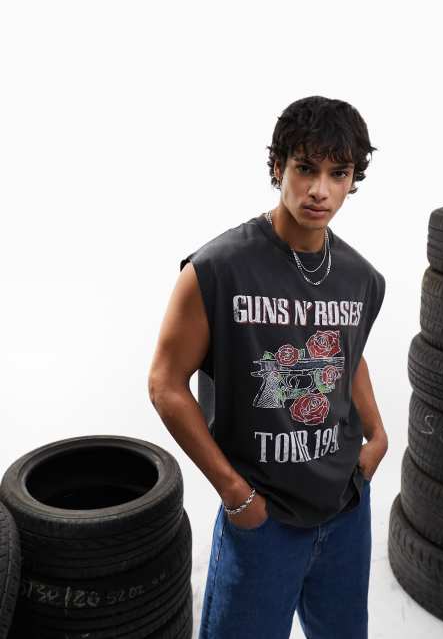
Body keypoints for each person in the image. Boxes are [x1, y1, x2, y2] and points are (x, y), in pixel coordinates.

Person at [148, 95, 388, 638]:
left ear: (353, 180)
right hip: (264, 517)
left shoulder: (362, 278)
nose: (319, 190)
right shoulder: (217, 268)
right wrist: (236, 495)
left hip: (346, 508)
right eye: (305, 168)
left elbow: (347, 355)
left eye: (338, 173)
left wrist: (376, 436)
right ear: (278, 167)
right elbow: (165, 385)